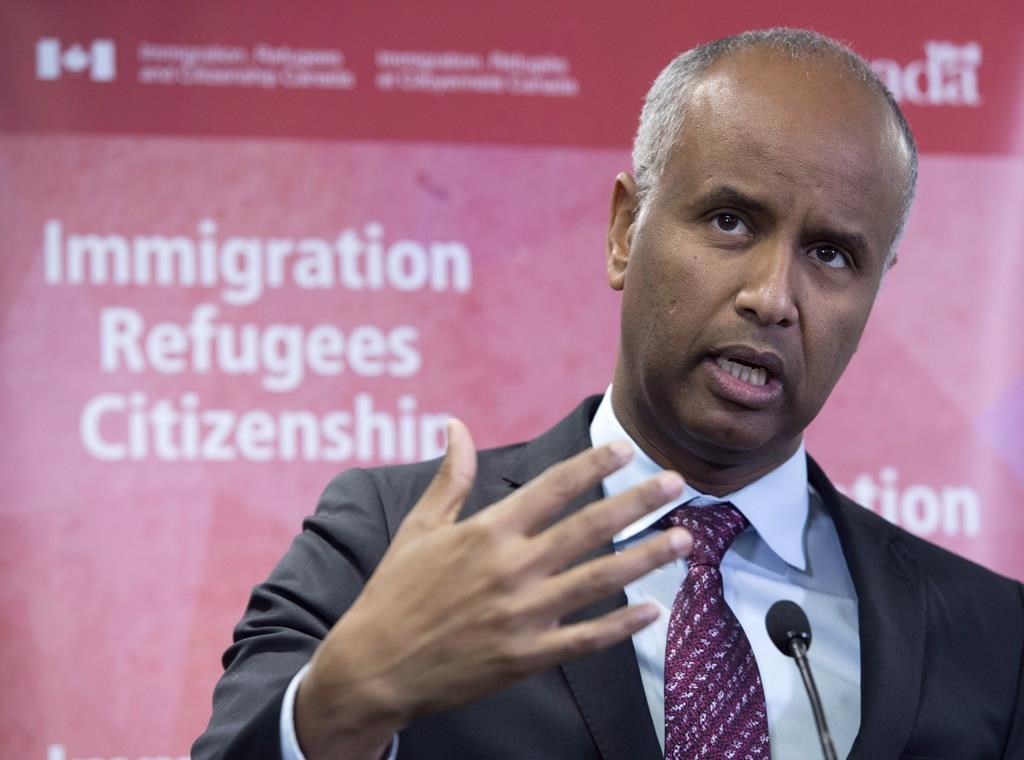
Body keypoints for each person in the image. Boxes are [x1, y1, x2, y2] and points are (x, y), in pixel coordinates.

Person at [193, 28, 1024, 760]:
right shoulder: (397, 539)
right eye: (732, 221)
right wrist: (345, 703)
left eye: (833, 255)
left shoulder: (992, 638)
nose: (774, 296)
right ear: (626, 230)